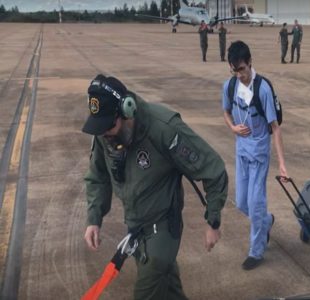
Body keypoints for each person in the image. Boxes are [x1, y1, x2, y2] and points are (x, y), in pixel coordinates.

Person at [82, 74, 228, 299]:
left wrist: (214, 219)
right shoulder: (105, 133)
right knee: (169, 291)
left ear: (127, 110)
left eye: (108, 126)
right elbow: (98, 175)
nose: (104, 134)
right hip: (136, 229)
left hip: (163, 231)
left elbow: (213, 169)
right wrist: (94, 218)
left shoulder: (163, 128)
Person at [222, 41, 289, 270]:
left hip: (260, 152)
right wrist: (232, 127)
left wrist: (281, 164)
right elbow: (225, 111)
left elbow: (275, 127)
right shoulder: (230, 86)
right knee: (241, 202)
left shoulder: (263, 89)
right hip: (241, 151)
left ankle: (256, 251)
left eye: (241, 69)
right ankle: (267, 221)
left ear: (250, 63)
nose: (239, 74)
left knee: (256, 202)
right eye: (234, 70)